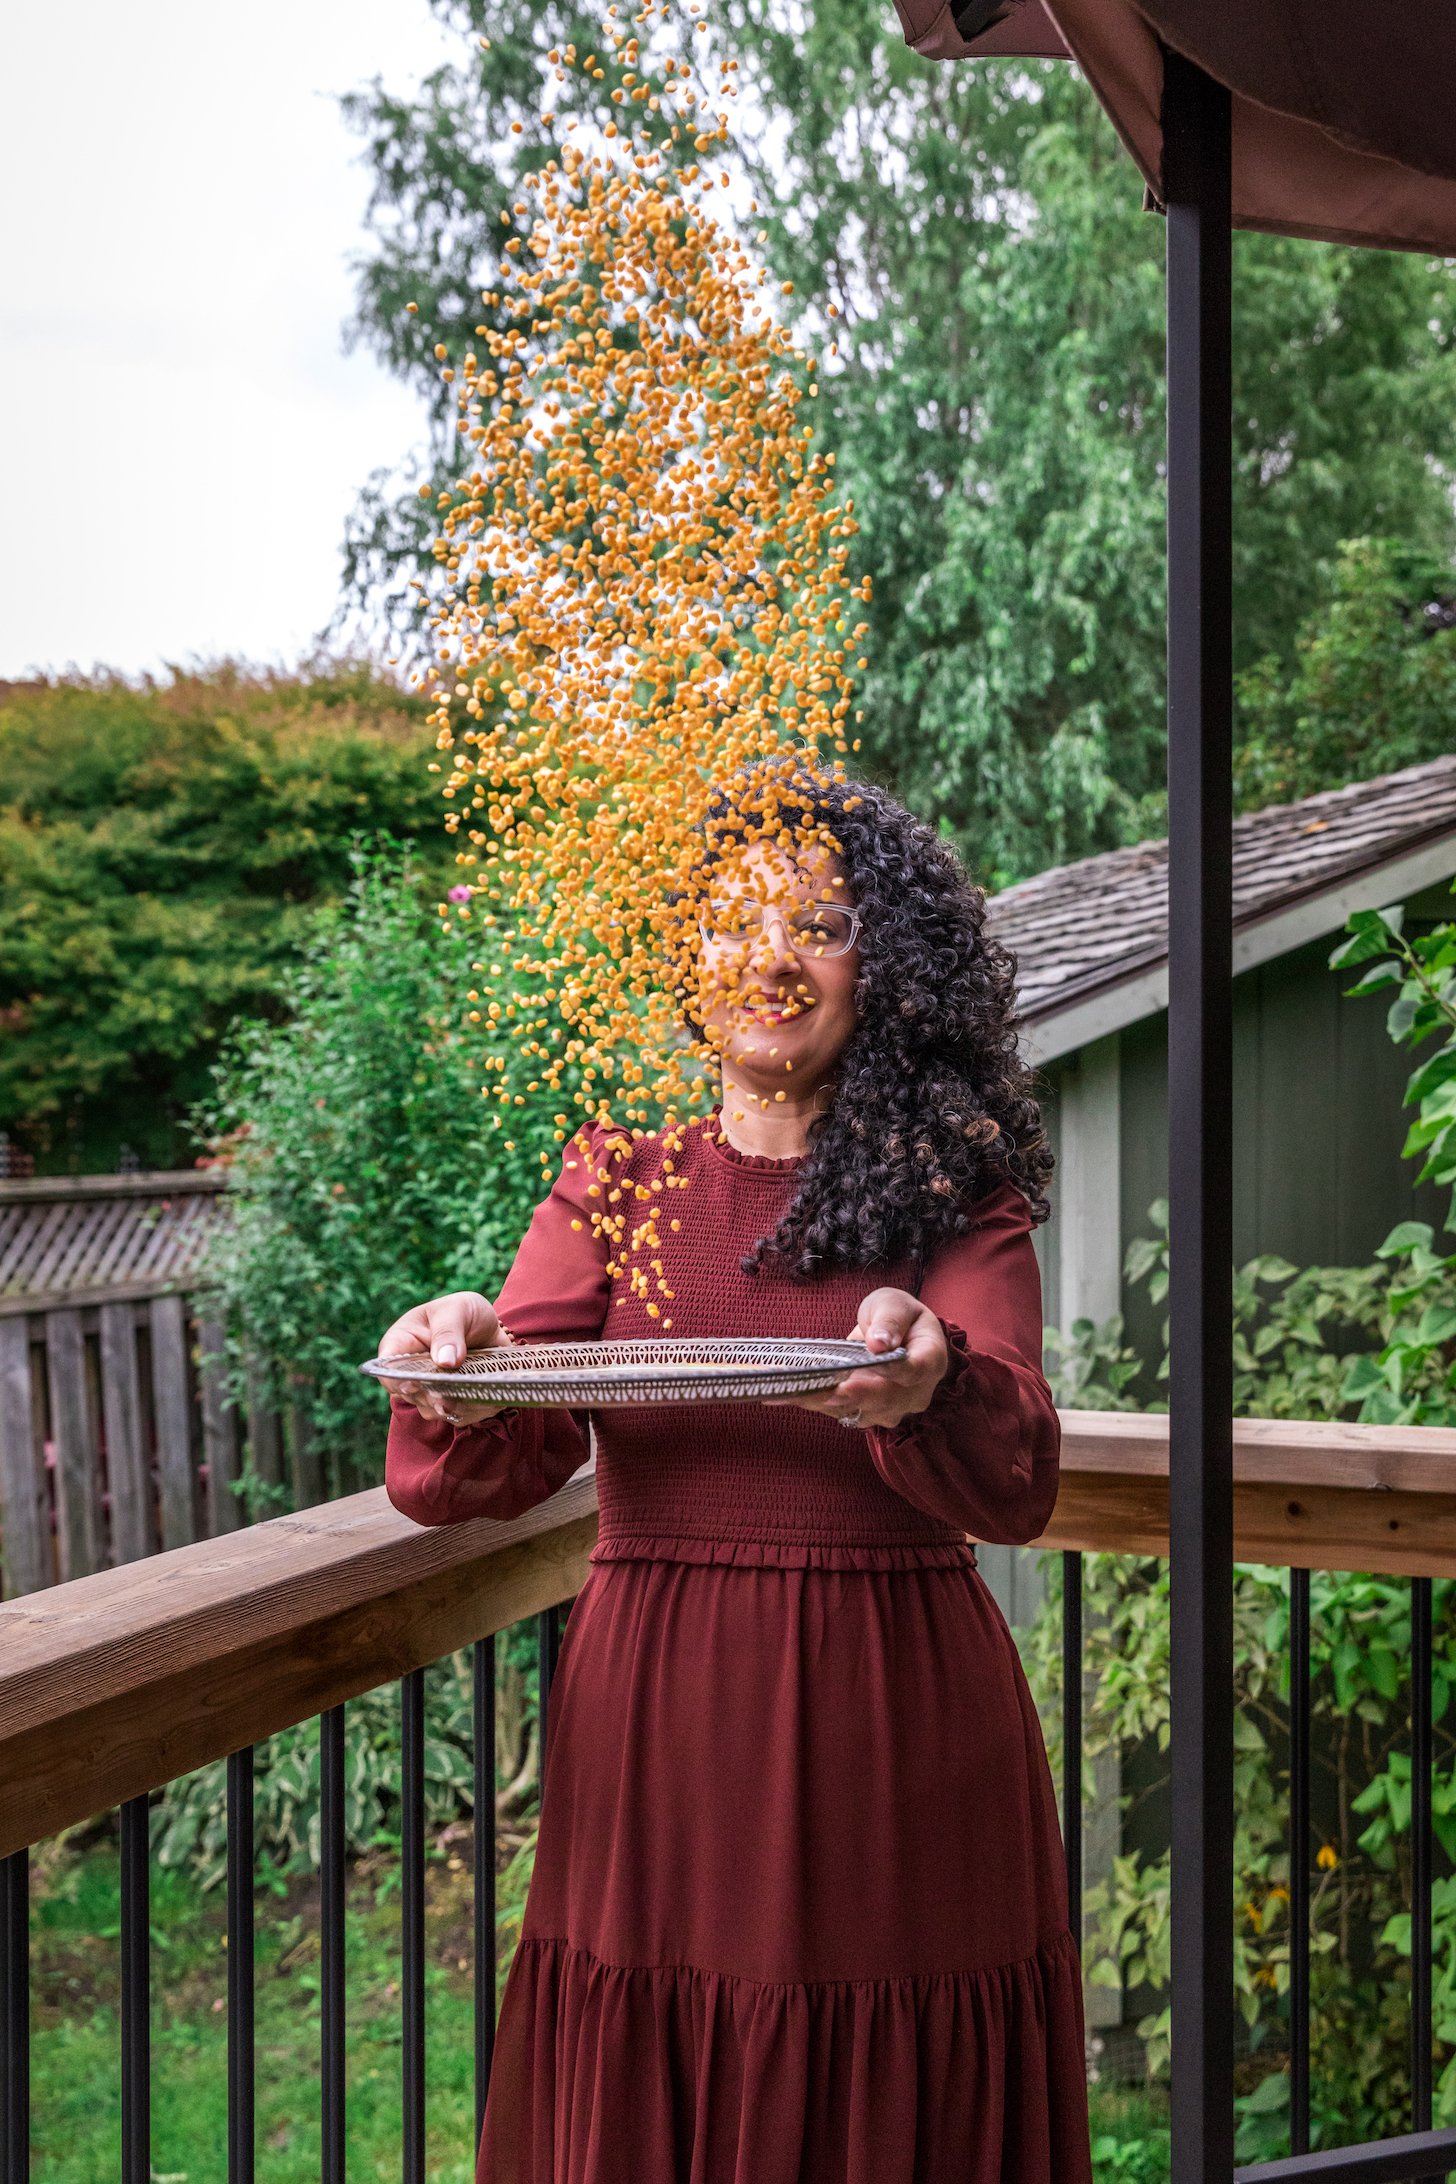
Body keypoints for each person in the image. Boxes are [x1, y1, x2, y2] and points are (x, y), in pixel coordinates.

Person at [381, 775, 1093, 2184]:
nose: (768, 952)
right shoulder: (615, 1185)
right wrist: (454, 1355)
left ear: (880, 970)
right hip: (659, 1737)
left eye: (817, 922)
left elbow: (1013, 1478)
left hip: (892, 1726)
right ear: (684, 956)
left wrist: (930, 1380)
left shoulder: (953, 1190)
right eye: (732, 917)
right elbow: (508, 1446)